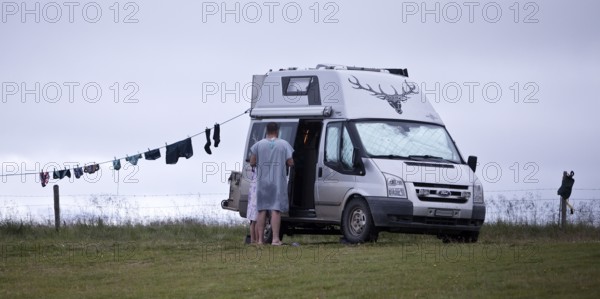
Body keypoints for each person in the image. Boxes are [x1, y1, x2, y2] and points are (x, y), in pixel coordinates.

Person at [249, 122, 294, 245]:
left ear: (266, 131)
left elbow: (252, 162)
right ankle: (275, 239)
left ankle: (260, 240)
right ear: (277, 131)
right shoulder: (284, 144)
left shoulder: (258, 145)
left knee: (262, 209)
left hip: (262, 181)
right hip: (277, 182)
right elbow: (290, 162)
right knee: (275, 209)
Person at [247, 167, 259, 243]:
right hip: (256, 191)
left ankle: (253, 240)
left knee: (253, 219)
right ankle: (255, 240)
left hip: (253, 191)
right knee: (256, 218)